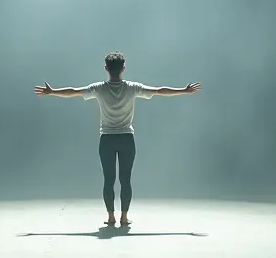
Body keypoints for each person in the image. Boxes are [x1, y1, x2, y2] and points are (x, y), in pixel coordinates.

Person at [34, 51, 202, 227]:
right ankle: (124, 217)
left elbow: (74, 91)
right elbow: (159, 90)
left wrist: (52, 92)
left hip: (107, 139)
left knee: (108, 180)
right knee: (125, 179)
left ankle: (111, 217)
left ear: (106, 68)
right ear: (123, 68)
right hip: (126, 139)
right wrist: (184, 90)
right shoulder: (132, 87)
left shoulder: (99, 88)